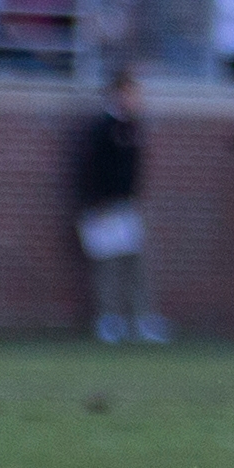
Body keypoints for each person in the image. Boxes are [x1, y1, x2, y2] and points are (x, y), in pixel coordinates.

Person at [75, 70, 156, 342]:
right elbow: (89, 169)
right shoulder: (101, 129)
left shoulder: (133, 127)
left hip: (127, 205)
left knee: (135, 265)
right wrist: (95, 203)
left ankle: (140, 319)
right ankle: (109, 319)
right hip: (104, 206)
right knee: (107, 266)